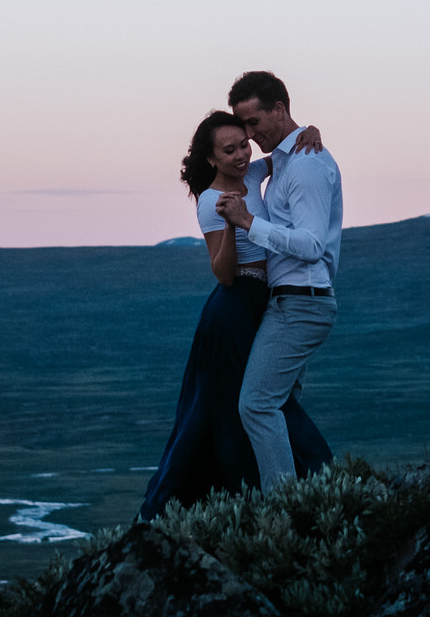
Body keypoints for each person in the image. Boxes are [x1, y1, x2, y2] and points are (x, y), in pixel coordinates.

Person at [136, 110, 330, 520]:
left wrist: (309, 131)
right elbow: (222, 274)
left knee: (261, 400)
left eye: (244, 144)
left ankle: (291, 488)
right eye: (230, 150)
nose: (242, 154)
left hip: (263, 301)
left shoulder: (252, 170)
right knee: (237, 408)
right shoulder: (211, 202)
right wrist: (231, 223)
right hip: (234, 306)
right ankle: (272, 494)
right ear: (211, 159)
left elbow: (283, 154)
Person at [217, 69, 344, 488]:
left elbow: (310, 244)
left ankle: (285, 507)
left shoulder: (305, 166)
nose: (250, 136)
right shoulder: (291, 158)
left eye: (254, 123)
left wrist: (247, 221)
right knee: (282, 406)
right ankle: (312, 496)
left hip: (301, 300)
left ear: (279, 109)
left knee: (256, 406)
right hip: (293, 299)